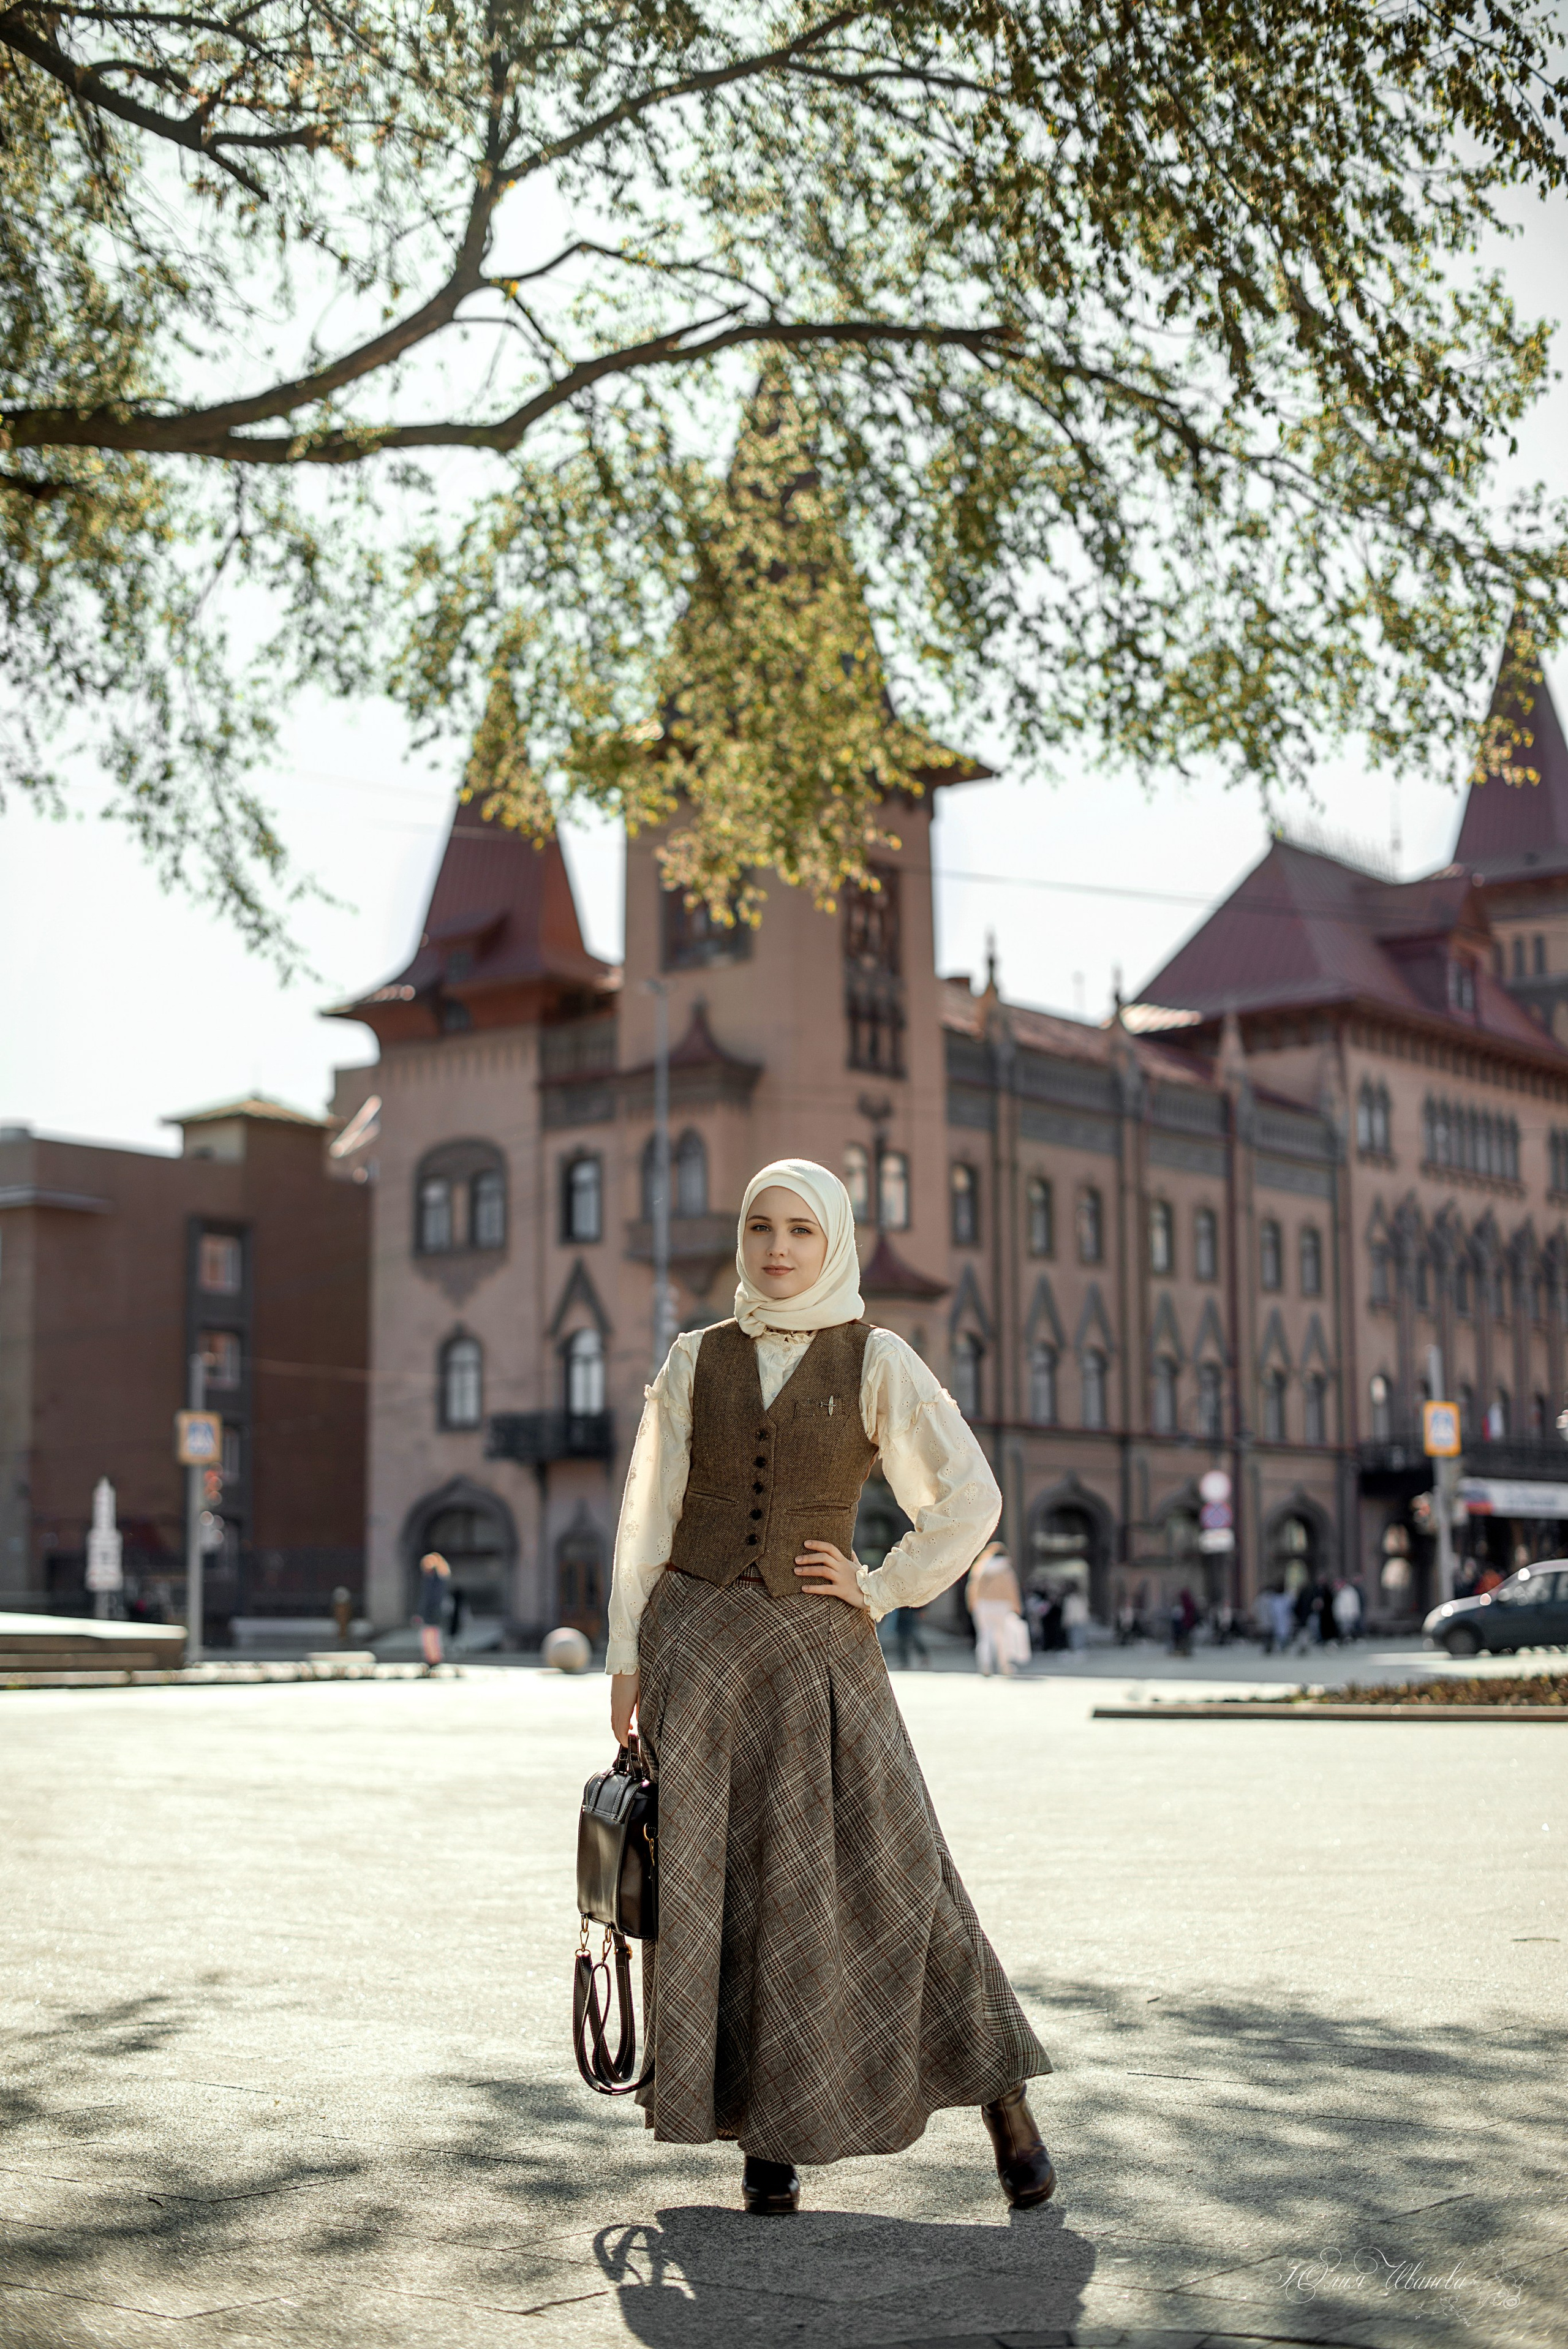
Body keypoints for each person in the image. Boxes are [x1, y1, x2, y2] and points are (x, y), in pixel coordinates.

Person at [606, 1159, 1052, 2219]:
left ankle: (1005, 2102)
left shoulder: (876, 1356)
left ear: (833, 1240)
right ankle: (767, 2141)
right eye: (761, 1226)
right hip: (698, 1661)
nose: (777, 1247)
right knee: (727, 1889)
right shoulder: (694, 1357)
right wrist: (628, 1656)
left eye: (801, 1229)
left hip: (821, 1660)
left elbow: (970, 1493)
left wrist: (883, 1585)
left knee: (904, 1878)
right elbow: (647, 1516)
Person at [968, 1541, 1027, 1676]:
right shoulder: (1006, 1569)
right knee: (1003, 1637)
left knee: (984, 1636)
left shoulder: (980, 1567)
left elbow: (972, 1587)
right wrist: (1017, 1606)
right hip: (1002, 1605)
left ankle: (985, 1665)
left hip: (983, 1605)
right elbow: (1012, 1589)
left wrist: (972, 1604)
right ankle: (1004, 1666)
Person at [413, 1550, 450, 1670]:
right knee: (433, 1636)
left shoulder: (432, 1580)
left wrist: (421, 1613)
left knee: (429, 1636)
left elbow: (427, 1598)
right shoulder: (441, 1578)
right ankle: (435, 1658)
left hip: (431, 1612)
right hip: (436, 1612)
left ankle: (433, 1659)